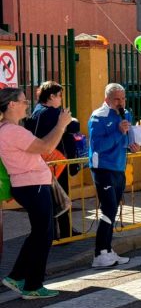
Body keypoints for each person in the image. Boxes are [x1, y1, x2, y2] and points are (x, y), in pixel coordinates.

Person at [0, 88, 71, 299]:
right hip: (32, 185)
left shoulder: (9, 129)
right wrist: (61, 124)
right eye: (23, 101)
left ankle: (19, 277)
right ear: (11, 104)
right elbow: (46, 147)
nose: (27, 104)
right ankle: (31, 285)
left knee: (40, 233)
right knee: (43, 234)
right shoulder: (12, 131)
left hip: (30, 185)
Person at [88, 83, 140, 268]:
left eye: (123, 98)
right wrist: (119, 133)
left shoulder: (125, 114)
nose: (121, 102)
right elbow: (98, 146)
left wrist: (132, 145)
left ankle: (108, 250)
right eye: (117, 99)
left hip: (119, 167)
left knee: (114, 208)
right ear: (107, 99)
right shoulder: (98, 117)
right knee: (108, 208)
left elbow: (124, 140)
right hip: (102, 168)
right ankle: (99, 253)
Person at [26, 80, 81, 239]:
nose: (61, 99)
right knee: (60, 197)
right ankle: (64, 232)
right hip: (56, 161)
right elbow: (73, 127)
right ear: (51, 96)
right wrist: (71, 119)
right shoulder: (52, 112)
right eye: (59, 96)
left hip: (41, 161)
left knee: (49, 198)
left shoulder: (36, 111)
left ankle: (56, 231)